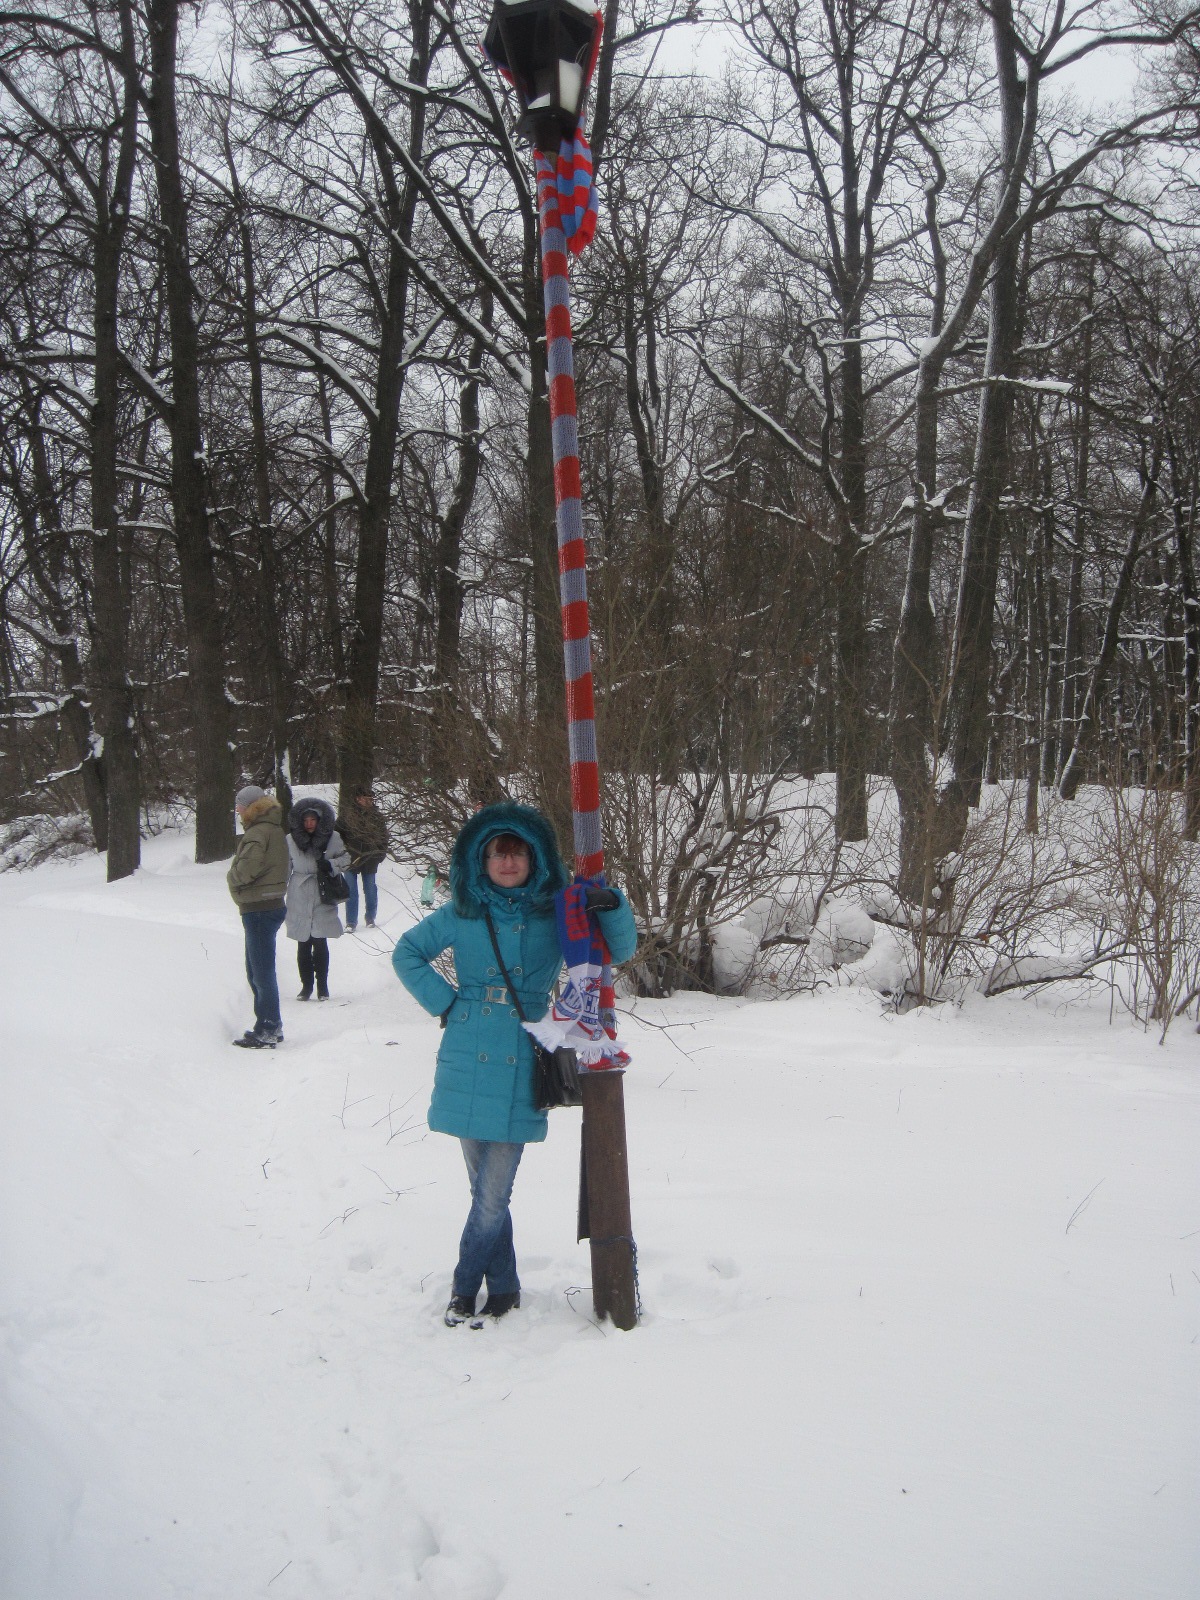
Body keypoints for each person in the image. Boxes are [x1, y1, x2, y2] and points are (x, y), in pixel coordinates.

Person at [392, 801, 637, 1327]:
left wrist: (611, 904)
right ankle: (503, 1288)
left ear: (534, 859)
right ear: (481, 861)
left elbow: (617, 949)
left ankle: (463, 1288)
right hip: (465, 1054)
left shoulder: (556, 913)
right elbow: (407, 952)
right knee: (485, 1191)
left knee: (492, 1194)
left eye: (517, 853)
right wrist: (447, 1003)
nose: (507, 863)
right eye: (497, 854)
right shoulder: (463, 911)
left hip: (525, 1055)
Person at [227, 784, 288, 1049]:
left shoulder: (257, 832)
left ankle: (268, 1028)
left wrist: (231, 877)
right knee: (258, 970)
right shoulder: (272, 828)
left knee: (260, 973)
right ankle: (269, 1024)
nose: (237, 810)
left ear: (250, 807)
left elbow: (246, 870)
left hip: (259, 907)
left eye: (239, 805)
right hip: (267, 905)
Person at [285, 797, 351, 1001]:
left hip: (323, 891)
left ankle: (323, 986)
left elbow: (346, 859)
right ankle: (306, 986)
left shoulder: (334, 838)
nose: (309, 824)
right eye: (306, 820)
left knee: (320, 940)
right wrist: (279, 891)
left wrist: (331, 865)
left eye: (313, 820)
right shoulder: (290, 840)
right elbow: (285, 867)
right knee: (303, 941)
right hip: (299, 893)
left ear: (320, 820)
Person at [335, 787, 389, 930]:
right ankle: (351, 922)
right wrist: (342, 854)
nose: (369, 801)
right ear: (358, 799)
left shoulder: (377, 817)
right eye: (366, 798)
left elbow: (384, 837)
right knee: (351, 891)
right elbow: (336, 836)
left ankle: (370, 918)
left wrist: (379, 855)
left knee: (370, 890)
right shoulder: (347, 816)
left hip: (370, 859)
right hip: (350, 859)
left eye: (371, 799)